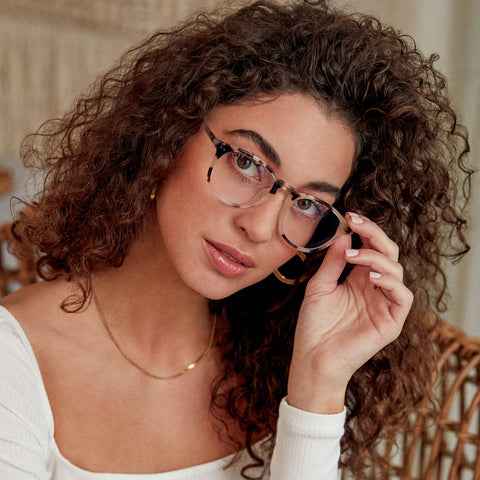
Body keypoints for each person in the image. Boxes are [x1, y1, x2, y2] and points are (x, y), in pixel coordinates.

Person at [0, 0, 472, 478]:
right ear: (167, 134)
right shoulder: (14, 361)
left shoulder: (276, 368)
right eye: (246, 163)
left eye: (308, 203)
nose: (261, 226)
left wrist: (317, 384)